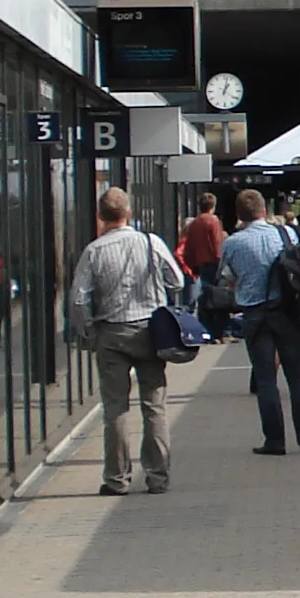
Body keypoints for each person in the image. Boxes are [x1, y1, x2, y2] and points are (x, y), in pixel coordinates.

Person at [68, 187, 183, 496]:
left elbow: (79, 300)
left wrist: (90, 333)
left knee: (115, 408)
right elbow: (178, 280)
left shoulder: (94, 251)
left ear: (100, 216)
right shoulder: (150, 242)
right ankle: (158, 476)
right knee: (154, 405)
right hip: (150, 332)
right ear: (128, 212)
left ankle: (117, 479)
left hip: (111, 334)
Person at [221, 188, 300, 457]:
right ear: (263, 210)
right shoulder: (287, 234)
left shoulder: (233, 243)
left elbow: (227, 277)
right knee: (297, 378)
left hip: (255, 316)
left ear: (239, 214)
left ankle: (274, 441)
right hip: (287, 314)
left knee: (267, 380)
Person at [177, 191, 226, 313]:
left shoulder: (194, 223)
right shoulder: (213, 221)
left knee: (203, 297)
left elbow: (189, 247)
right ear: (213, 207)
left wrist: (192, 266)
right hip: (213, 265)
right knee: (216, 298)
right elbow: (217, 244)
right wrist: (222, 262)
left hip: (199, 266)